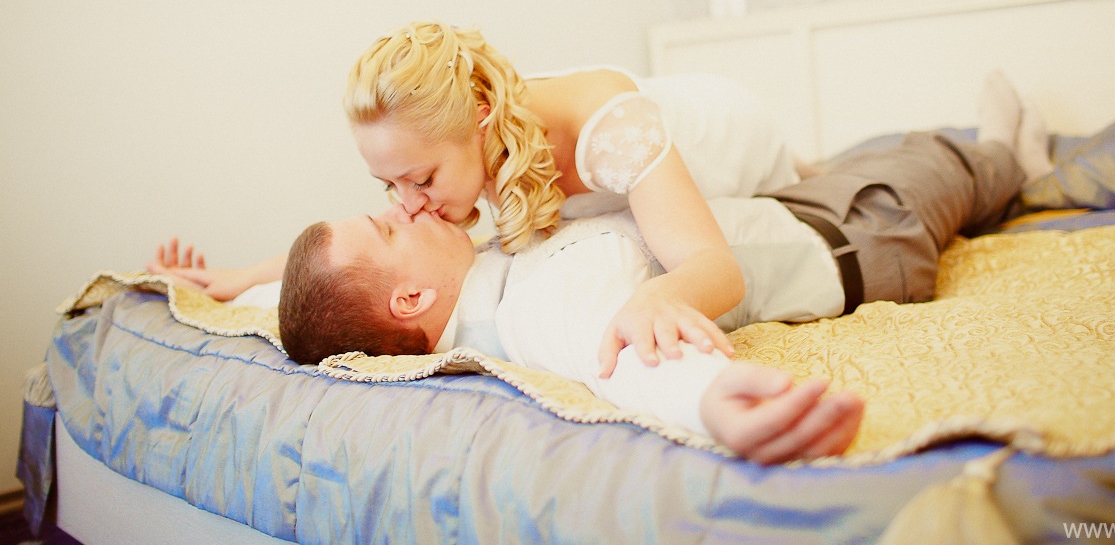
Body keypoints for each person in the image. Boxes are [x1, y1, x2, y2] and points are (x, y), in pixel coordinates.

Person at [273, 73, 1052, 464]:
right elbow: (621, 359)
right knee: (949, 163)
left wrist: (243, 278)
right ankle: (1015, 158)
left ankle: (991, 156)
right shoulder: (534, 308)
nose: (406, 206)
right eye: (388, 221)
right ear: (410, 297)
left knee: (887, 151)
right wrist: (713, 401)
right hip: (859, 234)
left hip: (784, 205)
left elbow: (313, 293)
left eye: (406, 190)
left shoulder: (478, 273)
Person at [155, 21, 805, 376]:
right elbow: (358, 262)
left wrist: (658, 298)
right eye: (390, 187)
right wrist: (242, 277)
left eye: (420, 180)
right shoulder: (463, 149)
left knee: (808, 187)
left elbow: (716, 269)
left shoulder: (612, 132)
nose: (408, 206)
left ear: (482, 122)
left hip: (739, 139)